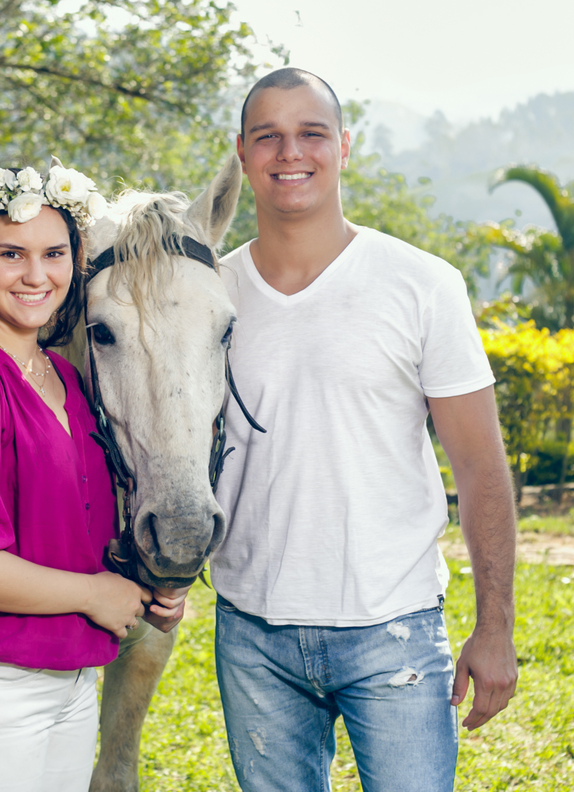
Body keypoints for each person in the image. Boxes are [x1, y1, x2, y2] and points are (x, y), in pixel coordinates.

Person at [211, 69, 518, 792]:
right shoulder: (208, 297)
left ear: (343, 147)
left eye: (312, 133)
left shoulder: (421, 284)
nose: (292, 153)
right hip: (252, 633)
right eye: (269, 137)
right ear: (243, 153)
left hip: (394, 628)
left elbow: (479, 464)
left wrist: (495, 625)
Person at [0, 161, 181, 792]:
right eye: (11, 254)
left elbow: (72, 538)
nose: (36, 275)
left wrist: (146, 587)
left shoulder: (66, 381)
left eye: (54, 253)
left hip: (68, 690)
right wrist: (95, 595)